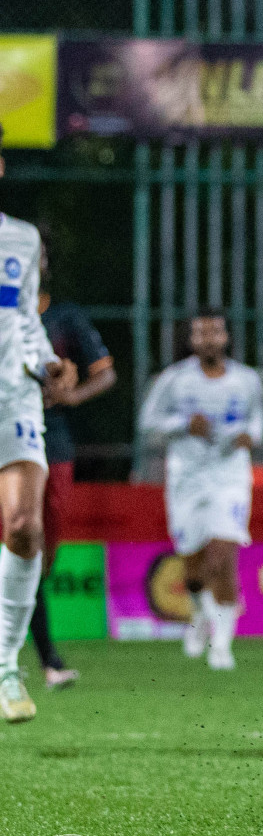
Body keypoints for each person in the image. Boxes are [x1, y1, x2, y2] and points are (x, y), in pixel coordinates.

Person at [138, 308, 263, 671]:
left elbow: (257, 421)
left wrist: (249, 436)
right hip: (186, 477)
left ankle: (222, 645)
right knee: (193, 565)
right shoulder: (174, 380)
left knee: (224, 555)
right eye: (201, 333)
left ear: (226, 337)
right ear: (191, 339)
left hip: (229, 475)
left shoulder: (246, 380)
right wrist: (181, 424)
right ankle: (197, 615)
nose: (209, 339)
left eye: (215, 332)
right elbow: (148, 422)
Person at [0, 125, 71, 722]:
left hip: (12, 400)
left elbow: (23, 319)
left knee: (25, 528)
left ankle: (5, 667)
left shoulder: (19, 240)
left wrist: (47, 362)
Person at [32, 242, 117, 689]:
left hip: (53, 440)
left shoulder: (63, 318)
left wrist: (71, 393)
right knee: (19, 544)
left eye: (41, 254)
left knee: (40, 553)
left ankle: (36, 658)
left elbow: (104, 373)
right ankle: (45, 659)